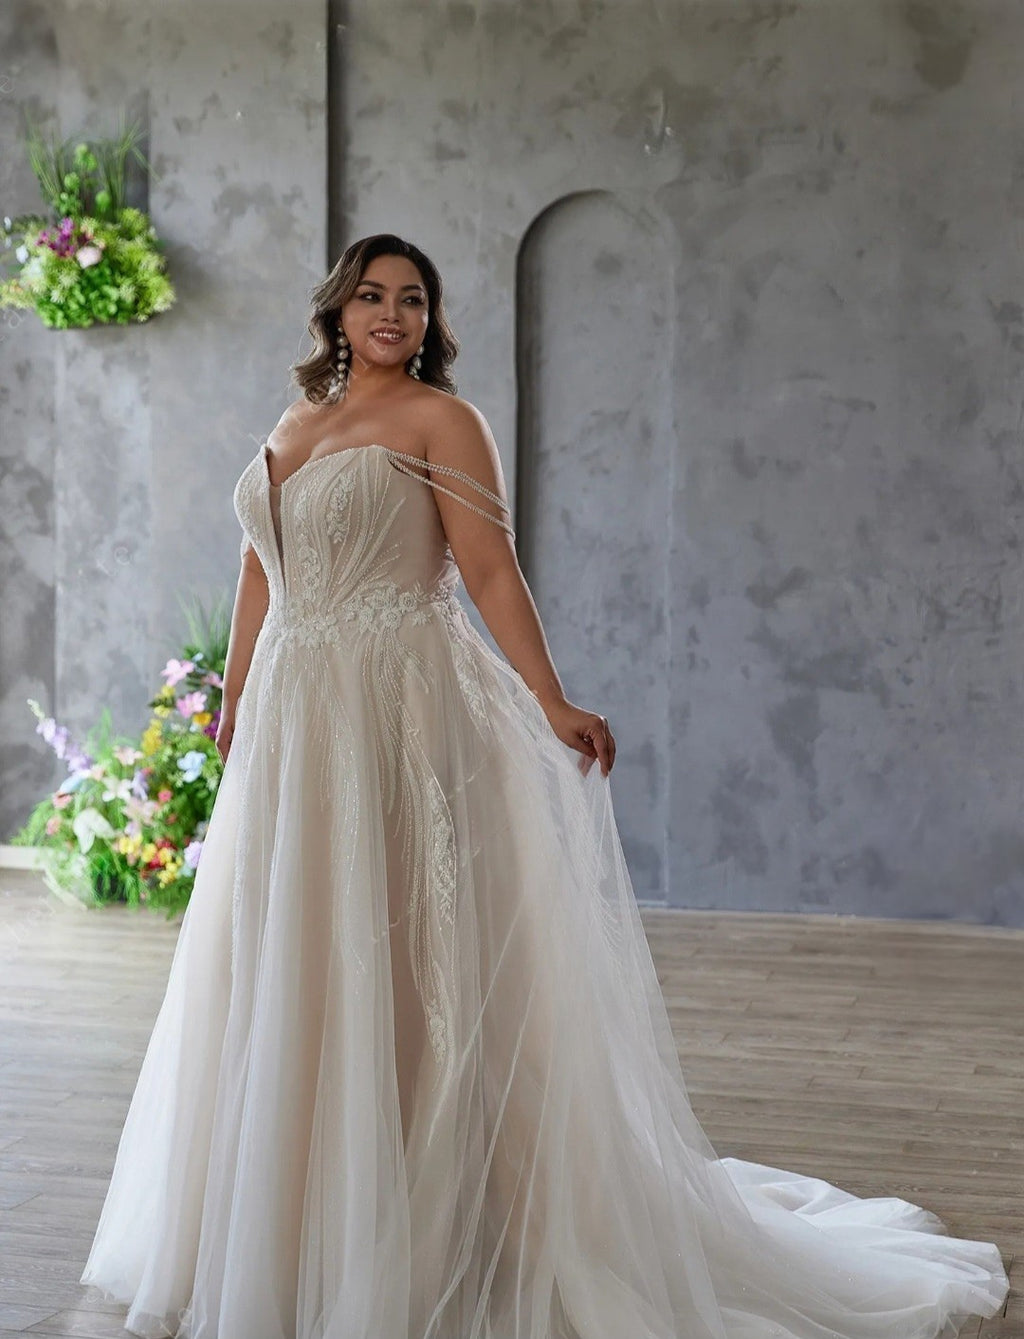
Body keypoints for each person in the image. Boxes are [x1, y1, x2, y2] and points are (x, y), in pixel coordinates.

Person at [80, 233, 1009, 1339]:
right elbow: (254, 569)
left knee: (405, 950)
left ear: (430, 321)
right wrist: (233, 700)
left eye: (412, 300)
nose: (392, 314)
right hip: (295, 716)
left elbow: (486, 570)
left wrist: (551, 698)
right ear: (333, 312)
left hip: (397, 706)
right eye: (371, 296)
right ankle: (299, 1216)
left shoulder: (442, 420)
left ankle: (436, 1210)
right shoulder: (291, 423)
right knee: (293, 954)